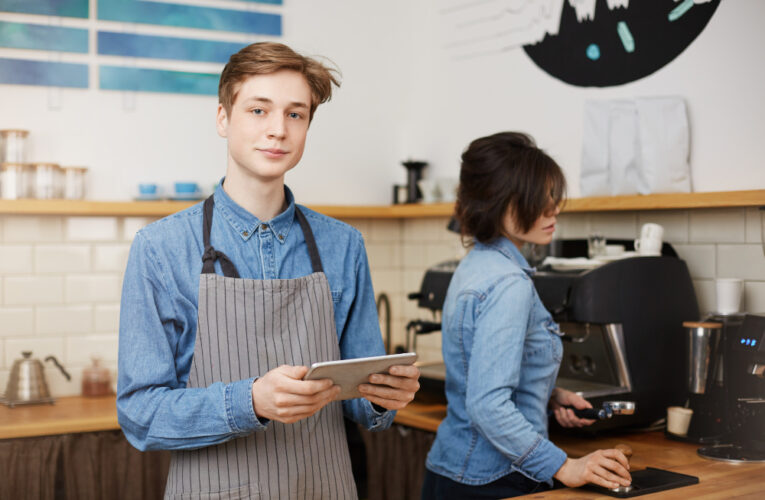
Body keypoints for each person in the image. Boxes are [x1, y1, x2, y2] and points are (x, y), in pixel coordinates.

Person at [117, 42, 420, 500]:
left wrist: (383, 395)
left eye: (295, 115)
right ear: (223, 118)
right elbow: (140, 414)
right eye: (259, 110)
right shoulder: (161, 248)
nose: (278, 129)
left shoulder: (343, 245)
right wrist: (250, 402)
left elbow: (359, 396)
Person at [421, 132, 631, 499]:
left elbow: (481, 377)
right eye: (538, 199)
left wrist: (547, 395)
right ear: (497, 203)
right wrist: (566, 466)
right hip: (496, 479)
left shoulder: (475, 266)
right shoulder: (508, 284)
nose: (552, 209)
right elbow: (487, 405)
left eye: (552, 196)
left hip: (452, 470)